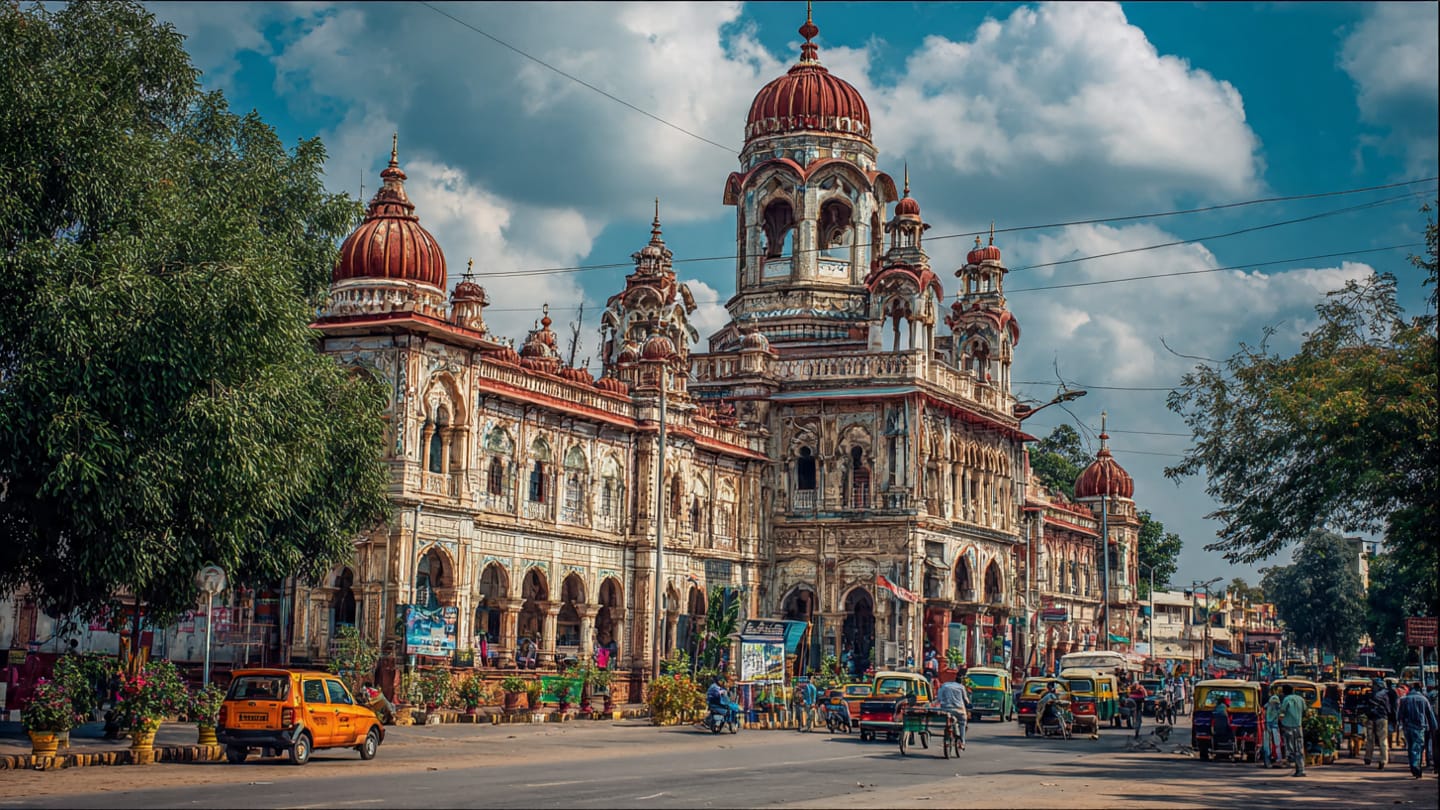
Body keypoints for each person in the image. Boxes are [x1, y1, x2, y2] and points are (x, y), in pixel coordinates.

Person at [1397, 680, 1438, 779]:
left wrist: (1399, 725)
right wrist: (1434, 728)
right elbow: (1430, 715)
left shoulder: (1404, 699)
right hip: (1419, 727)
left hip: (1407, 727)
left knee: (1411, 747)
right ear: (1420, 688)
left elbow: (1400, 715)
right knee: (1417, 748)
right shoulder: (1424, 700)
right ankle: (1416, 767)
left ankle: (1413, 766)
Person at [1365, 677, 1396, 769]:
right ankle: (1383, 760)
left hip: (1371, 718)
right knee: (1383, 739)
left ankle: (1368, 758)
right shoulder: (1386, 695)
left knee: (1370, 739)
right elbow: (1390, 708)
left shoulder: (1371, 694)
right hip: (1382, 718)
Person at [935, 670, 969, 750]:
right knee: (962, 723)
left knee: (947, 723)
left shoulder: (944, 686)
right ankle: (962, 742)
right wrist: (968, 703)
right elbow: (966, 699)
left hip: (946, 710)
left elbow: (939, 699)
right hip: (959, 710)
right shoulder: (961, 687)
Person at [1279, 683, 1307, 777]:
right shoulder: (1300, 699)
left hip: (1288, 726)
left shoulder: (1286, 699)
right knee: (1299, 747)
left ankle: (1292, 761)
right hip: (1298, 726)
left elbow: (1282, 711)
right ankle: (1300, 770)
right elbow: (1305, 710)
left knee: (1290, 748)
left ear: (1284, 692)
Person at [1261, 690, 1283, 768]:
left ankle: (1267, 762)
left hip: (1268, 725)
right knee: (1277, 744)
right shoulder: (1278, 705)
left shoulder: (1268, 705)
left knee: (1267, 744)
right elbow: (1281, 714)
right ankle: (1279, 760)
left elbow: (1263, 710)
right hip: (1274, 726)